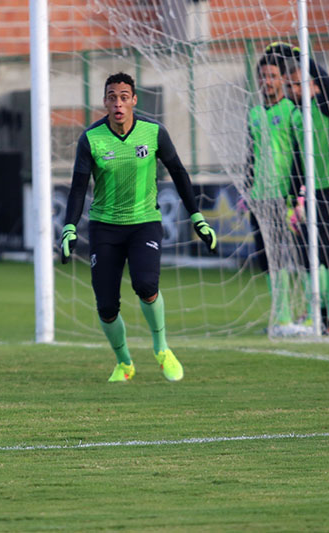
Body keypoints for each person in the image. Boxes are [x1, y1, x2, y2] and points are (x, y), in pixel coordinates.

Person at [60, 72, 217, 383]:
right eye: (111, 97)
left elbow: (179, 172)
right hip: (104, 227)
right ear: (104, 102)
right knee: (106, 306)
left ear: (133, 100)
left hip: (144, 223)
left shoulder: (154, 132)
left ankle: (161, 348)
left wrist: (197, 216)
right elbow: (78, 188)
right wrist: (69, 227)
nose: (118, 103)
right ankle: (124, 363)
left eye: (123, 96)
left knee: (146, 287)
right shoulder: (91, 139)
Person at [281, 44, 329, 334]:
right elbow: (297, 160)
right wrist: (293, 196)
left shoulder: (326, 108)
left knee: (327, 248)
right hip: (308, 193)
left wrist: (302, 54)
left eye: (299, 84)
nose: (293, 89)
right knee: (310, 252)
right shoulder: (296, 117)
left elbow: (326, 82)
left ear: (315, 88)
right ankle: (316, 313)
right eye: (291, 85)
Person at [244, 53, 303, 335]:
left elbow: (302, 156)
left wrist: (297, 194)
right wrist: (246, 190)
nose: (267, 81)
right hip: (259, 196)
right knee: (265, 259)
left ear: (282, 80)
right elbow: (250, 156)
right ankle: (280, 317)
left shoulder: (293, 112)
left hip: (286, 195)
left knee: (294, 255)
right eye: (263, 76)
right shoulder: (254, 114)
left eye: (272, 76)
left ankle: (297, 314)